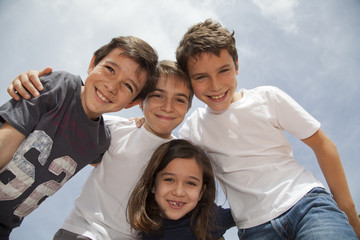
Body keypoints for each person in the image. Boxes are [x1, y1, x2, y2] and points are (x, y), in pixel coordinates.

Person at [175, 19, 359, 239]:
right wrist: (140, 123)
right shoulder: (192, 130)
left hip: (308, 204)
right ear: (189, 80)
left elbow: (321, 143)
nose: (215, 85)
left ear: (237, 66)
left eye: (223, 70)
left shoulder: (267, 98)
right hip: (254, 228)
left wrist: (349, 213)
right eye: (201, 77)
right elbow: (165, 157)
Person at [8, 60, 235, 239]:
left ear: (187, 107)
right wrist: (36, 81)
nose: (167, 106)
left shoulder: (176, 155)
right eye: (158, 95)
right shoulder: (112, 129)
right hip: (85, 231)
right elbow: (72, 112)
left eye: (179, 100)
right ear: (140, 101)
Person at [0, 36, 158, 239]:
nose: (112, 86)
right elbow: (6, 142)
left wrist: (144, 126)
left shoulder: (100, 141)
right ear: (92, 64)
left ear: (132, 102)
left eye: (128, 86)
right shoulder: (61, 86)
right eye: (110, 69)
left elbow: (122, 161)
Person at [128, 138, 235, 240]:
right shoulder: (145, 221)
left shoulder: (211, 218)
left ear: (201, 192)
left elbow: (248, 212)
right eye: (169, 180)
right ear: (153, 185)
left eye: (191, 183)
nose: (179, 192)